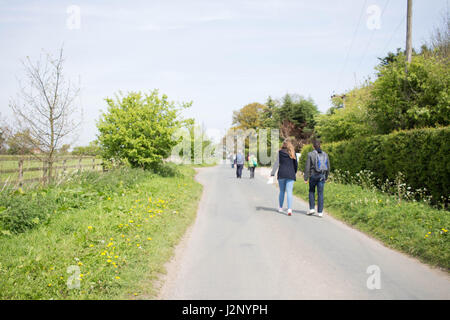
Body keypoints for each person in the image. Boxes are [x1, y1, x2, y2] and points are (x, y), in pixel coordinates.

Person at [270, 140, 298, 216]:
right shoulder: (293, 153)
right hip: (290, 174)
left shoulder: (280, 152)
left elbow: (276, 163)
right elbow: (296, 165)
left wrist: (272, 173)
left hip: (282, 173)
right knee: (289, 192)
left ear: (283, 145)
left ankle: (280, 208)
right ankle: (289, 209)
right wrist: (294, 172)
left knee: (282, 191)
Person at [304, 140, 330, 217]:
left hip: (313, 176)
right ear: (320, 146)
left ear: (313, 146)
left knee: (311, 191)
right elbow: (328, 167)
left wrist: (306, 178)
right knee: (320, 193)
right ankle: (320, 212)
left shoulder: (310, 154)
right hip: (322, 176)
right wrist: (326, 177)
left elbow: (307, 167)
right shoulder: (325, 154)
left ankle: (312, 209)